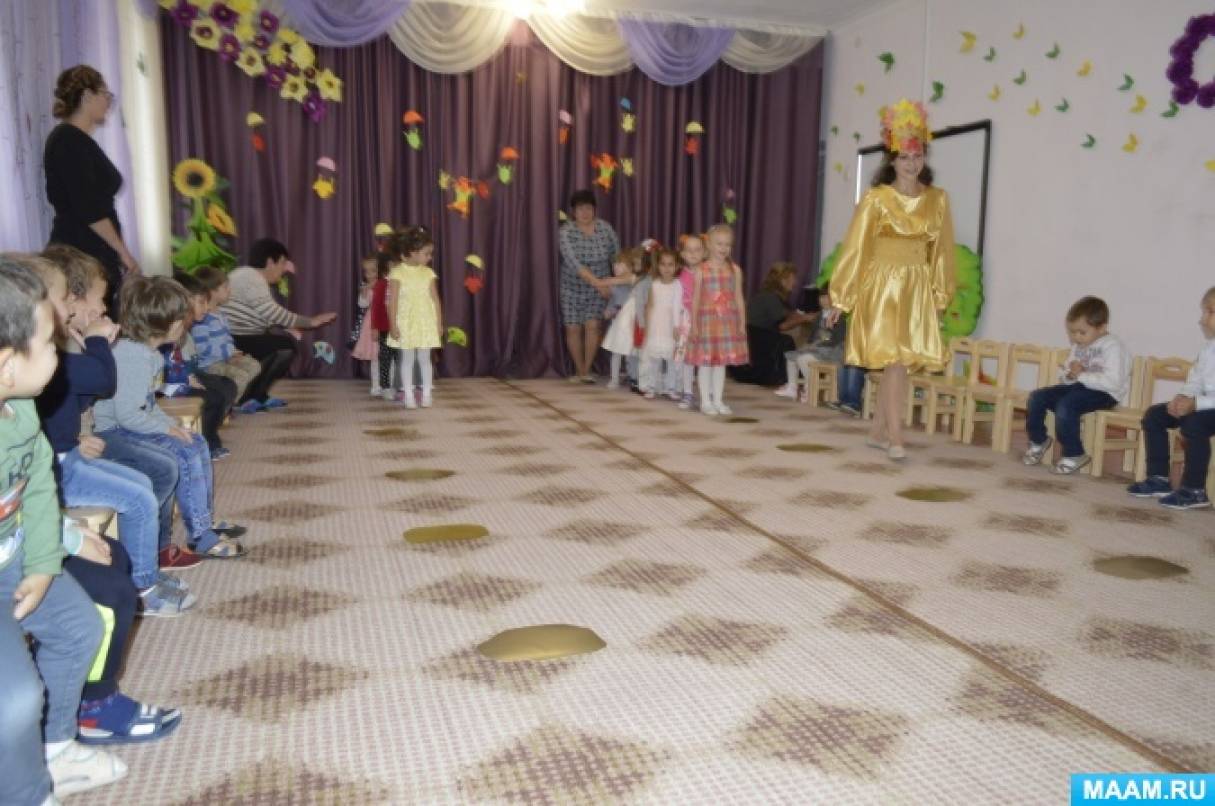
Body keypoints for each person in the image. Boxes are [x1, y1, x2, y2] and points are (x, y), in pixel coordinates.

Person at [0, 258, 128, 801]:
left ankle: (57, 749)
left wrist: (44, 563)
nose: (59, 353)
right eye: (49, 344)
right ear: (8, 364)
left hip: (17, 556)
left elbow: (38, 488)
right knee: (14, 700)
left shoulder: (21, 409)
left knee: (80, 630)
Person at [32, 249, 193, 616]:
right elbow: (100, 383)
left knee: (143, 484)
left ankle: (146, 568)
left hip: (69, 454)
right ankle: (144, 588)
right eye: (99, 299)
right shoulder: (54, 349)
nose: (104, 309)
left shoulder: (64, 341)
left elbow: (77, 402)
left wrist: (77, 437)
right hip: (58, 466)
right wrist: (97, 341)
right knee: (139, 497)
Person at [825, 99, 956, 461]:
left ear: (924, 157)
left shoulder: (938, 200)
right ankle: (897, 437)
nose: (911, 163)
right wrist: (842, 297)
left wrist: (940, 296)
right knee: (893, 363)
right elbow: (857, 248)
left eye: (917, 156)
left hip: (916, 287)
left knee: (897, 365)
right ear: (892, 161)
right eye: (904, 157)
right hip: (882, 287)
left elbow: (942, 251)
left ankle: (878, 431)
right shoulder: (877, 199)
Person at [92, 278, 245, 559]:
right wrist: (166, 429)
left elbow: (148, 404)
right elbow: (128, 415)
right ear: (170, 323)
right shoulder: (133, 356)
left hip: (129, 425)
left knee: (196, 442)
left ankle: (203, 523)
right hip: (112, 433)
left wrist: (171, 426)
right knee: (184, 451)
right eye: (182, 317)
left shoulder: (148, 353)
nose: (186, 323)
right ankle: (200, 536)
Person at [43, 65, 140, 317]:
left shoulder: (77, 140)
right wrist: (123, 253)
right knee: (94, 324)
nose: (108, 102)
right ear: (87, 96)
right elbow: (90, 209)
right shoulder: (69, 141)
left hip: (88, 251)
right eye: (105, 95)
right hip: (82, 252)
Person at [219, 238, 336, 412]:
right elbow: (273, 314)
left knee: (278, 345)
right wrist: (311, 321)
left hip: (241, 336)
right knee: (284, 347)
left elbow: (266, 316)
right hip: (233, 338)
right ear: (269, 262)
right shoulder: (250, 277)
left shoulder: (248, 276)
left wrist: (294, 323)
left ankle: (258, 395)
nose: (284, 269)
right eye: (282, 263)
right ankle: (247, 397)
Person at [1127, 287, 1215, 509]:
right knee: (1155, 415)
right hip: (1202, 406)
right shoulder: (1208, 349)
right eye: (1205, 312)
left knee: (1194, 424)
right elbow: (1195, 379)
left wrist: (1196, 404)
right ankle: (1159, 478)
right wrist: (1183, 396)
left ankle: (1194, 490)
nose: (1202, 319)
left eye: (1210, 312)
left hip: (1205, 408)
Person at [1022, 296, 1130, 475]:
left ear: (1102, 328)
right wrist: (1070, 375)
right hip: (1080, 387)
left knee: (1066, 405)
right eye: (1072, 332)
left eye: (1082, 332)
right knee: (1037, 397)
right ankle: (1038, 440)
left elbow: (1113, 382)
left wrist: (1081, 375)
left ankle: (1074, 454)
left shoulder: (1113, 347)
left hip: (1105, 393)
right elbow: (1067, 375)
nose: (1076, 337)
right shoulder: (1079, 345)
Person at [559, 189, 620, 382]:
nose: (585, 212)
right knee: (573, 328)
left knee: (593, 326)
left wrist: (615, 284)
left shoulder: (605, 228)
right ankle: (580, 370)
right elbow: (575, 264)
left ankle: (586, 371)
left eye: (588, 208)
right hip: (572, 287)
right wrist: (599, 284)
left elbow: (617, 257)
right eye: (580, 208)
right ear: (573, 211)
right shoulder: (566, 232)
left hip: (600, 288)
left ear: (594, 209)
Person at [687, 224, 748, 416]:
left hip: (726, 322)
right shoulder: (701, 270)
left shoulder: (734, 270)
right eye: (719, 244)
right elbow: (696, 299)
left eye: (727, 244)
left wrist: (741, 322)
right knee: (705, 363)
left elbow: (738, 297)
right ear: (709, 245)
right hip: (706, 322)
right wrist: (694, 325)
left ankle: (718, 399)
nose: (724, 248)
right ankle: (705, 401)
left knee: (721, 363)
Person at [385, 227, 443, 409]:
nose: (430, 257)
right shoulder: (397, 273)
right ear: (412, 252)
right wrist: (392, 324)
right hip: (406, 322)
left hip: (425, 322)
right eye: (427, 253)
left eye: (430, 254)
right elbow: (392, 302)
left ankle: (426, 395)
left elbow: (435, 299)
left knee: (425, 359)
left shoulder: (428, 273)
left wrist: (439, 323)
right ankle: (408, 396)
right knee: (407, 359)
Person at [188, 266, 262, 405]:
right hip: (210, 365)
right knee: (240, 376)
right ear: (212, 291)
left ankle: (239, 399)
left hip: (224, 358)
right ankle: (228, 406)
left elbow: (227, 337)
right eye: (225, 287)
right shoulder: (202, 320)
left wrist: (232, 351)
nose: (229, 290)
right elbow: (201, 349)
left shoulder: (220, 314)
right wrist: (227, 352)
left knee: (254, 366)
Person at [735, 262, 816, 386]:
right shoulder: (770, 298)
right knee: (786, 341)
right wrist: (804, 318)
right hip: (754, 338)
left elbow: (787, 315)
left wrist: (802, 316)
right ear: (783, 280)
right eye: (792, 279)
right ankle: (790, 377)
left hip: (752, 338)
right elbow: (782, 325)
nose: (795, 283)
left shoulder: (769, 295)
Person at [640, 249, 685, 399]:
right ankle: (652, 386)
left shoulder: (678, 284)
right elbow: (649, 306)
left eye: (670, 264)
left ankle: (671, 387)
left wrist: (678, 327)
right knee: (654, 358)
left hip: (671, 325)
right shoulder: (654, 285)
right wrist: (647, 328)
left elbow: (679, 307)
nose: (666, 268)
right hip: (656, 325)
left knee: (672, 359)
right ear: (658, 266)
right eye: (663, 264)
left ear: (676, 266)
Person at [673, 234, 706, 410]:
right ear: (683, 254)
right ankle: (687, 392)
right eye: (689, 250)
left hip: (706, 319)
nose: (693, 254)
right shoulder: (681, 277)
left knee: (705, 358)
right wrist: (676, 324)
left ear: (704, 252)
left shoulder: (709, 273)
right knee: (688, 358)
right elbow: (676, 303)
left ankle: (707, 393)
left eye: (697, 250)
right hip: (686, 320)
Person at [600, 250, 641, 390]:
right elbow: (613, 300)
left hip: (631, 322)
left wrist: (604, 281)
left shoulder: (633, 279)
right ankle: (614, 378)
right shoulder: (615, 285)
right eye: (614, 264)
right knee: (616, 351)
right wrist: (609, 310)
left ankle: (634, 376)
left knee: (632, 352)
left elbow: (627, 281)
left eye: (620, 264)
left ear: (630, 266)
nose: (615, 267)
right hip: (618, 322)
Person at [350, 255, 380, 384]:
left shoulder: (385, 284)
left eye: (373, 271)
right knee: (375, 356)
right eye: (366, 271)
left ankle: (388, 384)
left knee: (387, 355)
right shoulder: (365, 286)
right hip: (371, 321)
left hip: (385, 319)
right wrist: (364, 292)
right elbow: (362, 304)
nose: (369, 275)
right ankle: (376, 384)